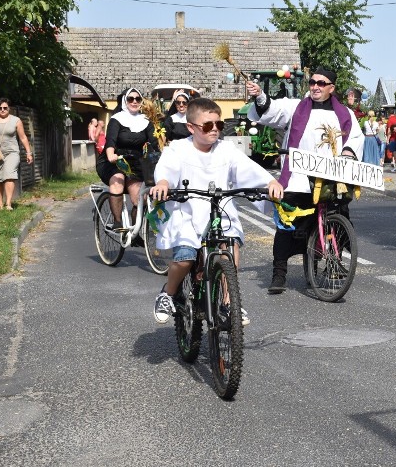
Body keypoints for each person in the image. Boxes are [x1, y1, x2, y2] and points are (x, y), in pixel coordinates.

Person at [148, 97, 284, 324]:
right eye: (208, 125)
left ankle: (231, 303)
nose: (215, 130)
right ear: (191, 127)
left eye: (218, 125)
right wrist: (163, 183)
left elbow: (248, 169)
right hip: (187, 214)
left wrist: (270, 183)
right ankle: (167, 294)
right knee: (184, 259)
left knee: (229, 249)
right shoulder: (178, 149)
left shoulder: (226, 149)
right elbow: (166, 169)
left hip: (220, 212)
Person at [247, 68, 364, 294]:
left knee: (327, 221)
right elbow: (271, 110)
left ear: (332, 88)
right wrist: (260, 96)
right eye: (312, 82)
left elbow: (356, 138)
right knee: (287, 227)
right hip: (298, 178)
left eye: (321, 83)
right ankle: (279, 273)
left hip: (330, 178)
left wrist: (348, 151)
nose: (315, 87)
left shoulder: (345, 114)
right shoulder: (295, 107)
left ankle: (319, 265)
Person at [96, 88, 158, 231]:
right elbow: (110, 141)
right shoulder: (116, 119)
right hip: (115, 160)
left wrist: (161, 155)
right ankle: (117, 222)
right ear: (125, 101)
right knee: (118, 179)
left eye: (137, 99)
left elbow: (154, 143)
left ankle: (136, 231)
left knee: (139, 198)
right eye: (131, 99)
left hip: (135, 162)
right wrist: (111, 154)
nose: (134, 102)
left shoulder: (145, 121)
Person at [0, 98, 34, 210]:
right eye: (0, 108)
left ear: (9, 108)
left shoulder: (16, 120)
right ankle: (0, 204)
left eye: (5, 108)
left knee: (9, 174)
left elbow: (23, 137)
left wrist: (29, 153)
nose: (3, 110)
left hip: (12, 152)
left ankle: (8, 204)